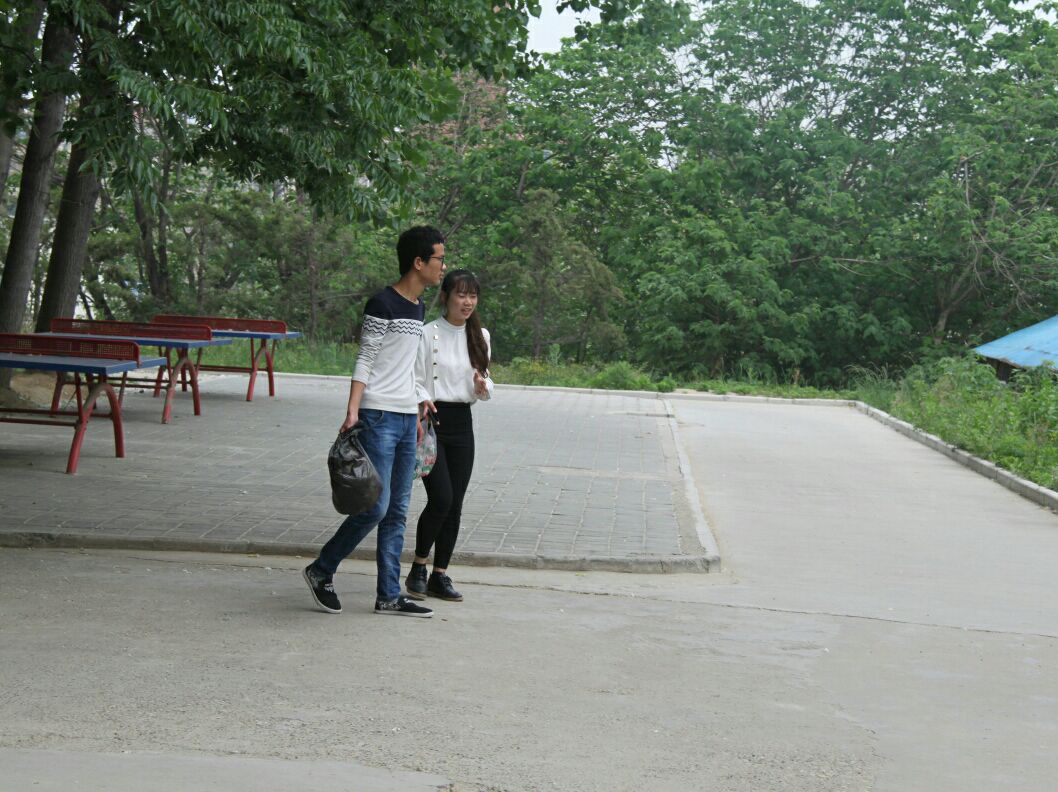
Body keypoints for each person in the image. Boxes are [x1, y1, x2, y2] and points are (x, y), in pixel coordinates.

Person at [302, 226, 446, 617]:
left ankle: (388, 595)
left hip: (405, 418)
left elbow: (406, 365)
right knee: (375, 508)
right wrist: (353, 410)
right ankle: (321, 569)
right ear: (419, 262)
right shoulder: (382, 303)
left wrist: (418, 401)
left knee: (398, 510)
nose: (443, 267)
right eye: (439, 259)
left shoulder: (418, 307)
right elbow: (365, 358)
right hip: (378, 416)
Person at [405, 269, 493, 603]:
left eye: (473, 295)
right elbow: (414, 378)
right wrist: (420, 400)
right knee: (441, 498)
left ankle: (439, 574)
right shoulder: (427, 333)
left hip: (462, 424)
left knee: (455, 503)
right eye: (461, 295)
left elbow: (485, 380)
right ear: (446, 297)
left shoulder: (480, 335)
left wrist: (483, 386)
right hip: (432, 422)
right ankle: (418, 566)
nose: (467, 302)